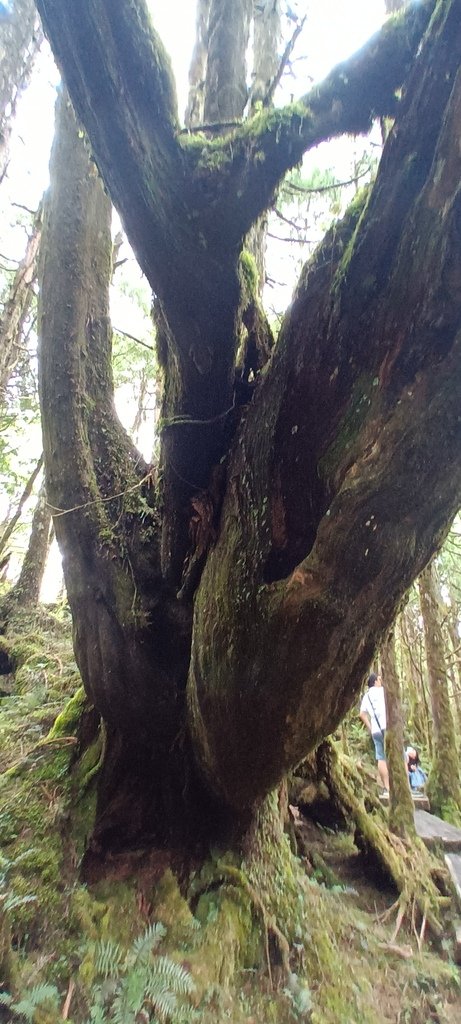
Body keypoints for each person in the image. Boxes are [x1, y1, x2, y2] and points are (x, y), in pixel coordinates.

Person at [359, 672, 390, 795]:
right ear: (376, 681)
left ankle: (387, 788)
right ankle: (406, 788)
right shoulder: (382, 691)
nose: (381, 681)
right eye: (379, 679)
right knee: (401, 755)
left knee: (381, 757)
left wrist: (370, 727)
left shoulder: (366, 696)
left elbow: (362, 714)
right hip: (388, 727)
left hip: (376, 730)